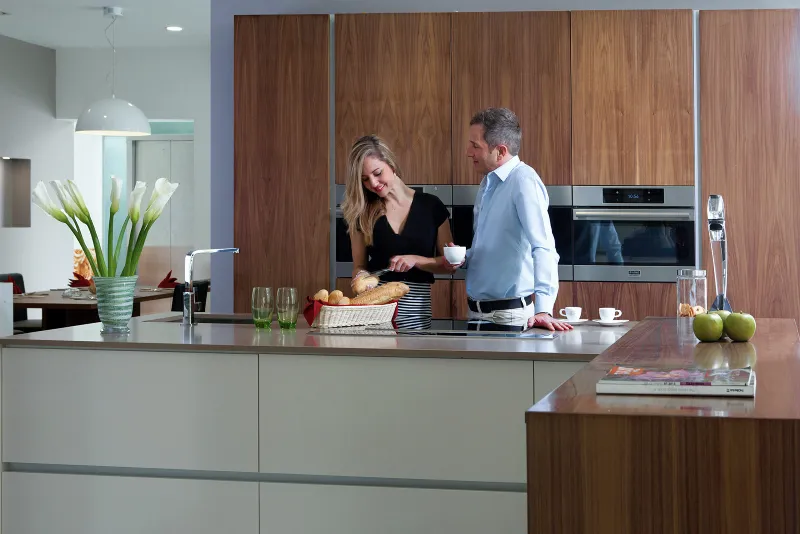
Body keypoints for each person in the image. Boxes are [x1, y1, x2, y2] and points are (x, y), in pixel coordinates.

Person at [453, 107, 572, 332]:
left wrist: (544, 309)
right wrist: (464, 257)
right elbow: (497, 249)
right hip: (477, 315)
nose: (468, 152)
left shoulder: (524, 182)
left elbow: (544, 247)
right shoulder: (488, 183)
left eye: (475, 145)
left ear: (500, 151)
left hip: (508, 318)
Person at [341, 135, 458, 329]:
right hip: (375, 312)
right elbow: (359, 265)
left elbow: (449, 265)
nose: (373, 183)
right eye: (365, 180)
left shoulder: (431, 206)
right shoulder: (362, 213)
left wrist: (416, 260)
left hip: (417, 315)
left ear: (391, 165)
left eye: (377, 173)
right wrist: (360, 276)